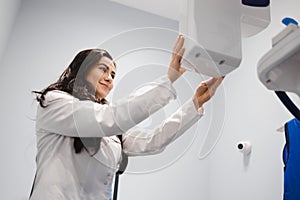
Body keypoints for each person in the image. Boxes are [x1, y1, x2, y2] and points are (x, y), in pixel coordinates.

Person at [29, 35, 223, 200]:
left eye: (113, 74)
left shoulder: (110, 130)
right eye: (102, 69)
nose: (109, 78)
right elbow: (109, 119)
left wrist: (195, 103)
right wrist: (169, 78)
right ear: (82, 69)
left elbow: (152, 141)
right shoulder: (55, 102)